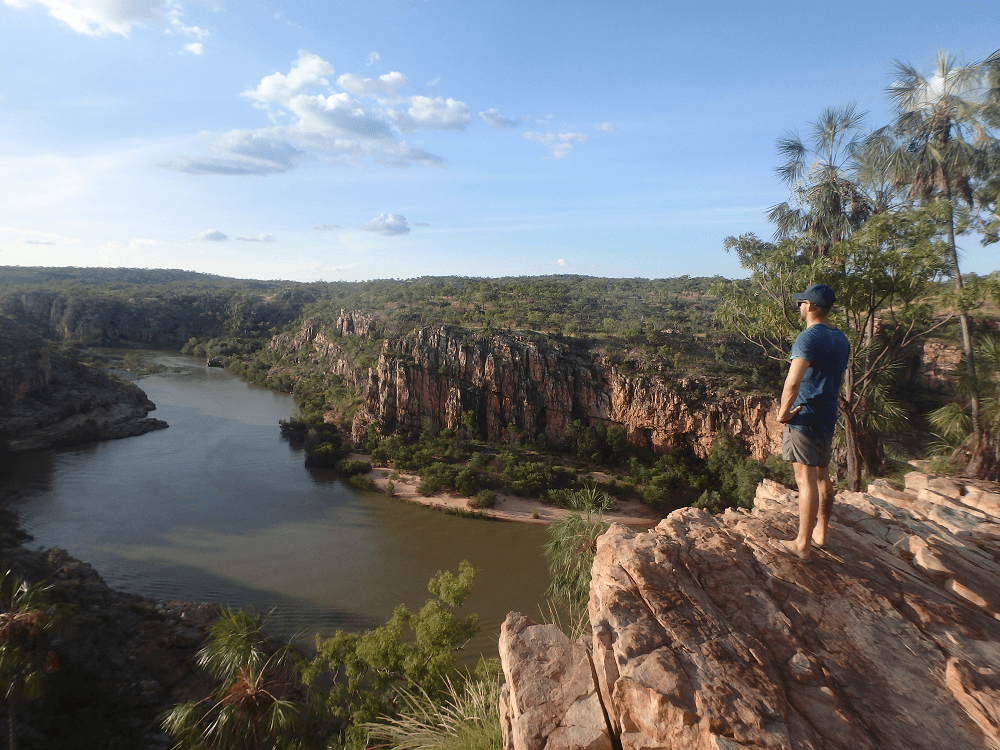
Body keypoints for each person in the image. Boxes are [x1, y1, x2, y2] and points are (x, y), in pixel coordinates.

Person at [772, 283, 850, 561]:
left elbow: (792, 381)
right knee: (822, 477)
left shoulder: (807, 338)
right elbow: (839, 381)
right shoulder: (840, 338)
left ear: (813, 307)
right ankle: (821, 534)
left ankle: (802, 545)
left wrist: (783, 413)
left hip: (804, 417)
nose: (800, 307)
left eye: (802, 302)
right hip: (827, 414)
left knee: (804, 481)